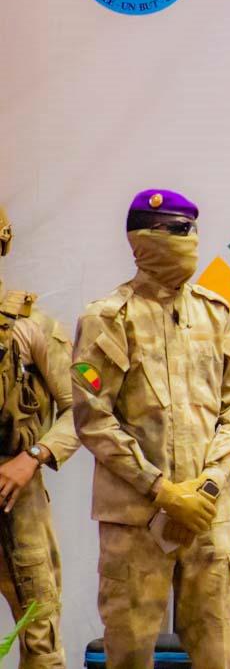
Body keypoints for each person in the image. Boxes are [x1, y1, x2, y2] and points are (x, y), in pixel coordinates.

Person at [71, 189, 230, 669]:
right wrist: (162, 490)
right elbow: (93, 417)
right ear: (140, 239)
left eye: (189, 229)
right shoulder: (108, 319)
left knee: (219, 652)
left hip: (207, 517)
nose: (185, 240)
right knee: (129, 653)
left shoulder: (217, 314)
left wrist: (209, 482)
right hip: (136, 521)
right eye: (172, 230)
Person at [0, 206, 80, 668]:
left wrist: (33, 456)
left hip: (18, 494)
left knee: (39, 631)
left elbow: (84, 409)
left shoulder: (34, 329)